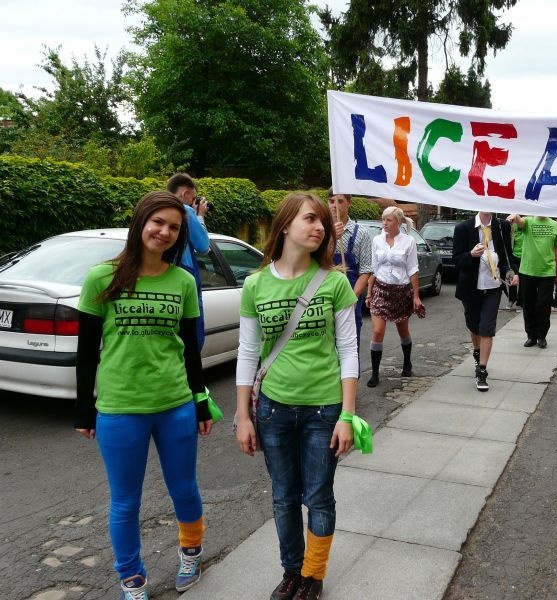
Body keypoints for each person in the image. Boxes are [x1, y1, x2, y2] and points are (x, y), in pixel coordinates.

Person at [74, 191, 214, 600]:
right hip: (120, 408)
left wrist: (201, 400)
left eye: (174, 227)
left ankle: (192, 552)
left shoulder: (183, 281)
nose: (165, 232)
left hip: (175, 406)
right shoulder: (102, 277)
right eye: (158, 223)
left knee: (184, 489)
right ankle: (131, 579)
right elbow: (86, 351)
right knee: (124, 503)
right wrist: (84, 410)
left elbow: (190, 349)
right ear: (140, 223)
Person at [234, 192, 357, 600]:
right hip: (273, 409)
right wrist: (243, 415)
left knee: (319, 496)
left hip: (324, 408)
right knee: (284, 496)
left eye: (323, 220)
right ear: (285, 224)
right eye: (310, 218)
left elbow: (349, 351)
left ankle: (313, 575)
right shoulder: (254, 284)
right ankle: (291, 571)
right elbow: (248, 353)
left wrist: (348, 416)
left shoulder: (335, 282)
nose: (320, 227)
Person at [452, 211, 511, 391]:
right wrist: (470, 254)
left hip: (493, 286)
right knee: (474, 325)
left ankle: (482, 371)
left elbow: (507, 256)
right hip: (471, 287)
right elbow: (456, 259)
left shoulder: (502, 226)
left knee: (487, 327)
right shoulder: (463, 228)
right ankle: (478, 351)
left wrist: (510, 272)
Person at [365, 206, 422, 387]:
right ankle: (375, 373)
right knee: (377, 331)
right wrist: (368, 293)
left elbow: (412, 269)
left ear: (398, 222)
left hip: (400, 292)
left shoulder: (409, 242)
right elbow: (373, 268)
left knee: (403, 330)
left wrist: (416, 296)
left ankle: (407, 362)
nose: (384, 223)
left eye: (388, 220)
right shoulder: (377, 241)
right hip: (380, 289)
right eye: (383, 219)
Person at [166, 173, 210, 349]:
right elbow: (203, 247)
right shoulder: (185, 211)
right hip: (184, 272)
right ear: (184, 193)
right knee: (191, 338)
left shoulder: (155, 208)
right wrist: (199, 215)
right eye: (192, 198)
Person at [507, 213, 557, 349]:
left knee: (543, 305)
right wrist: (515, 216)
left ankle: (542, 336)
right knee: (528, 305)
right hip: (527, 270)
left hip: (547, 271)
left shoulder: (555, 225)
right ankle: (531, 336)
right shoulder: (528, 221)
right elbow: (519, 222)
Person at [328, 189, 372, 354]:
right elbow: (314, 263)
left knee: (349, 346)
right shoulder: (319, 231)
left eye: (340, 201)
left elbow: (366, 269)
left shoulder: (361, 233)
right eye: (332, 201)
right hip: (323, 294)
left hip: (351, 294)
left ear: (349, 203)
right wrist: (331, 237)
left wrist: (353, 298)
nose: (335, 206)